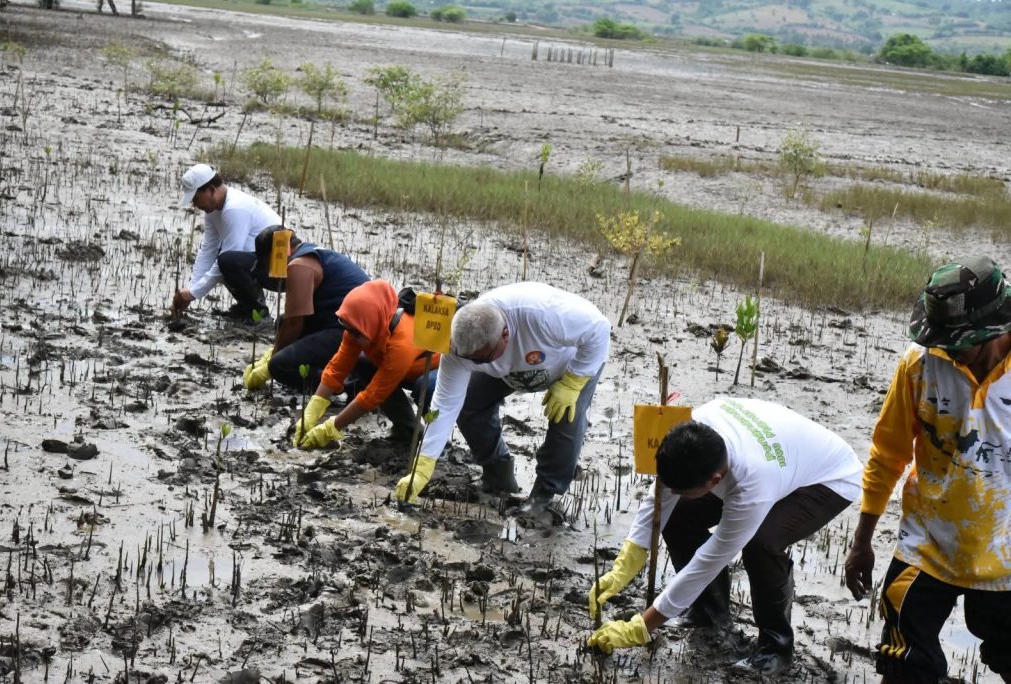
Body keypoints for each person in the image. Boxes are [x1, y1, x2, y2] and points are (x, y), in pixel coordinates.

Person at [588, 397, 862, 676]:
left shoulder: (752, 485)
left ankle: (776, 647)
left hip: (828, 478)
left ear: (716, 480)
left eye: (684, 488)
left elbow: (707, 562)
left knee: (761, 543)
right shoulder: (692, 432)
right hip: (783, 459)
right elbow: (661, 496)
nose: (674, 492)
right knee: (678, 513)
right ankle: (709, 614)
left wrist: (642, 626)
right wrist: (627, 562)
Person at [844, 256, 1011, 684]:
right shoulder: (919, 365)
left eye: (957, 343)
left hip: (1006, 550)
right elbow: (888, 453)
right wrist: (862, 540)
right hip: (929, 544)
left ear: (993, 329)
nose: (944, 350)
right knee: (903, 659)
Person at [393, 282, 610, 512]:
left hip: (571, 364)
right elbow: (445, 405)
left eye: (481, 359)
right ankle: (498, 474)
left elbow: (599, 328)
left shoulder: (542, 315)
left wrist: (573, 381)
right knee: (469, 403)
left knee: (567, 420)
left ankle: (544, 495)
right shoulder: (458, 349)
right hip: (510, 371)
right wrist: (422, 466)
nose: (473, 364)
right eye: (470, 360)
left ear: (505, 334)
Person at [292, 280, 440, 448]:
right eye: (346, 327)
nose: (350, 336)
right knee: (362, 363)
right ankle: (409, 430)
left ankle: (435, 443)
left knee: (425, 387)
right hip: (400, 369)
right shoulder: (358, 329)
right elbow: (336, 368)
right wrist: (312, 411)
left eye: (355, 332)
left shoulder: (401, 343)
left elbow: (374, 394)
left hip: (433, 372)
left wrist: (331, 428)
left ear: (372, 324)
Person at [242, 227, 369, 393]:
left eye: (267, 264)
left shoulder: (300, 265)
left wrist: (269, 365)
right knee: (282, 322)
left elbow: (294, 324)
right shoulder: (310, 252)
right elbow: (291, 320)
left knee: (279, 366)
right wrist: (272, 354)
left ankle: (345, 385)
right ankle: (336, 371)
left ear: (276, 254)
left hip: (356, 332)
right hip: (342, 323)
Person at [172, 163, 281, 319]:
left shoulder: (234, 208)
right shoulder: (213, 212)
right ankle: (247, 308)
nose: (195, 205)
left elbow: (229, 257)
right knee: (223, 258)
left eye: (196, 199)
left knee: (227, 261)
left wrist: (193, 293)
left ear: (211, 190)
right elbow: (208, 250)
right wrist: (190, 291)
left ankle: (259, 315)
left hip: (280, 270)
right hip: (260, 262)